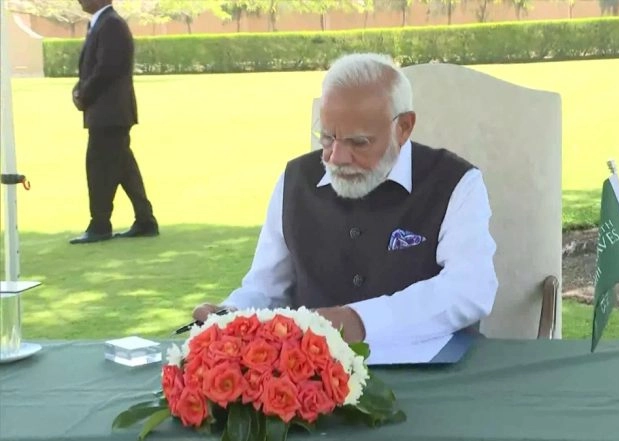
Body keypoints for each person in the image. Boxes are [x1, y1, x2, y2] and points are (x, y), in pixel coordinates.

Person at [192, 53, 498, 345]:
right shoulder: (295, 180)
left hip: (436, 378)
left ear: (403, 127)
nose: (336, 157)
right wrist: (231, 314)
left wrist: (358, 321)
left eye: (359, 142)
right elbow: (266, 288)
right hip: (310, 382)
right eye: (327, 137)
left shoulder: (456, 183)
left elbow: (469, 289)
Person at [70, 0, 158, 245]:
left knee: (99, 169)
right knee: (123, 168)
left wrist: (83, 94)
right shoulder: (103, 24)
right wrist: (81, 89)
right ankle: (145, 220)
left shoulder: (111, 25)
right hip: (108, 112)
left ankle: (99, 225)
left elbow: (107, 69)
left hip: (110, 113)